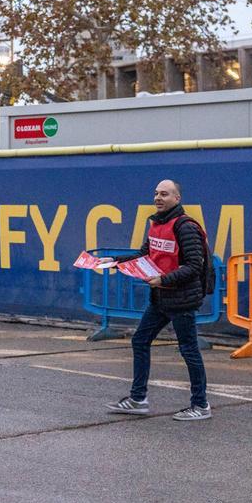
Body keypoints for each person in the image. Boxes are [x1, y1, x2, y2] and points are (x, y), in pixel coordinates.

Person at [103, 179, 212, 420]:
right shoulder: (156, 224)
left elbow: (194, 266)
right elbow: (145, 254)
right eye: (156, 193)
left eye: (164, 194)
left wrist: (163, 279)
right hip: (161, 299)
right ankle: (138, 399)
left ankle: (201, 405)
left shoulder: (185, 226)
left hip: (181, 299)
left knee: (189, 350)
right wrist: (115, 261)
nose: (158, 198)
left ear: (177, 199)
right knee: (140, 341)